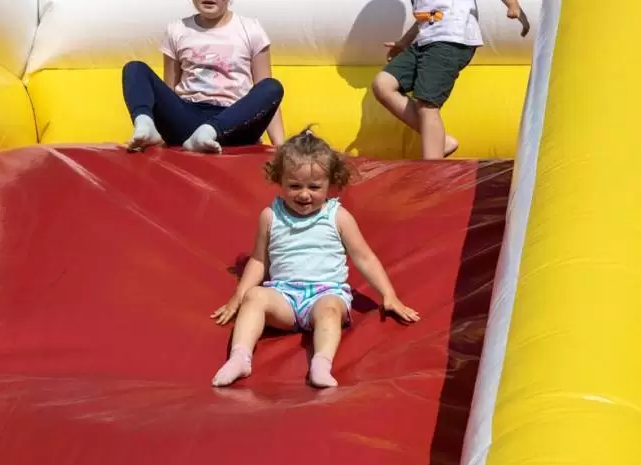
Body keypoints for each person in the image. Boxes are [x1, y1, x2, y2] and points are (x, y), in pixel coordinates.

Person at [210, 127, 420, 388]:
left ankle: (321, 364)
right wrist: (239, 296)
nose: (304, 194)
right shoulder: (271, 216)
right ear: (280, 180)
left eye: (314, 187)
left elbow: (364, 257)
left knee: (329, 310)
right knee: (255, 297)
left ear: (330, 184)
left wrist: (388, 295)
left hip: (325, 292)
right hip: (284, 296)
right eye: (294, 186)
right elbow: (259, 261)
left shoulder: (337, 216)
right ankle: (240, 357)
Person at [121, 0, 285, 154]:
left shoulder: (250, 30)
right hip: (188, 121)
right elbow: (168, 89)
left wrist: (280, 146)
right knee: (134, 68)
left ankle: (209, 131)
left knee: (272, 86)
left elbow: (267, 99)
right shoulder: (178, 30)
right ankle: (145, 124)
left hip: (234, 123)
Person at [371, 0, 530, 159]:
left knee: (427, 105)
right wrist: (404, 42)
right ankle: (443, 142)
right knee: (383, 84)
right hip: (425, 41)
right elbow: (427, 16)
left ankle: (432, 166)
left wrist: (513, 6)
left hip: (451, 39)